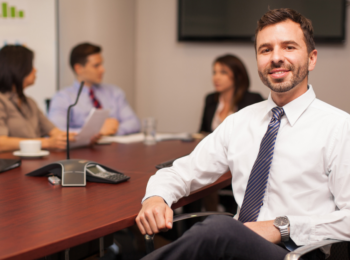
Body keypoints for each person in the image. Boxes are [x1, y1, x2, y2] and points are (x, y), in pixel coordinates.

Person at [136, 8, 350, 260]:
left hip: (296, 253)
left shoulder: (340, 128)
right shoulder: (238, 122)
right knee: (222, 231)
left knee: (220, 228)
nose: (276, 58)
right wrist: (155, 197)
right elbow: (181, 171)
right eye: (265, 50)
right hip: (235, 247)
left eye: (289, 47)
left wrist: (281, 227)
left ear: (312, 58)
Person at [48, 43, 140, 136]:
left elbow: (134, 123)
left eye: (101, 64)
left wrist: (112, 130)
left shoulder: (114, 92)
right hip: (84, 150)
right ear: (79, 69)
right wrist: (95, 132)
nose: (102, 70)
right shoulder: (62, 98)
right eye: (96, 65)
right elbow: (57, 132)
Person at [0, 45, 76, 152]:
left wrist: (82, 138)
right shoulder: (2, 101)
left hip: (35, 161)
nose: (35, 70)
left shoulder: (30, 102)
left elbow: (55, 132)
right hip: (12, 164)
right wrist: (46, 143)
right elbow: (1, 143)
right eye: (30, 66)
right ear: (17, 67)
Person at [200, 54, 263, 133]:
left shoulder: (253, 99)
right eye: (214, 72)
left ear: (238, 76)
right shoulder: (210, 99)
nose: (216, 77)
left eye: (223, 72)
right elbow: (202, 133)